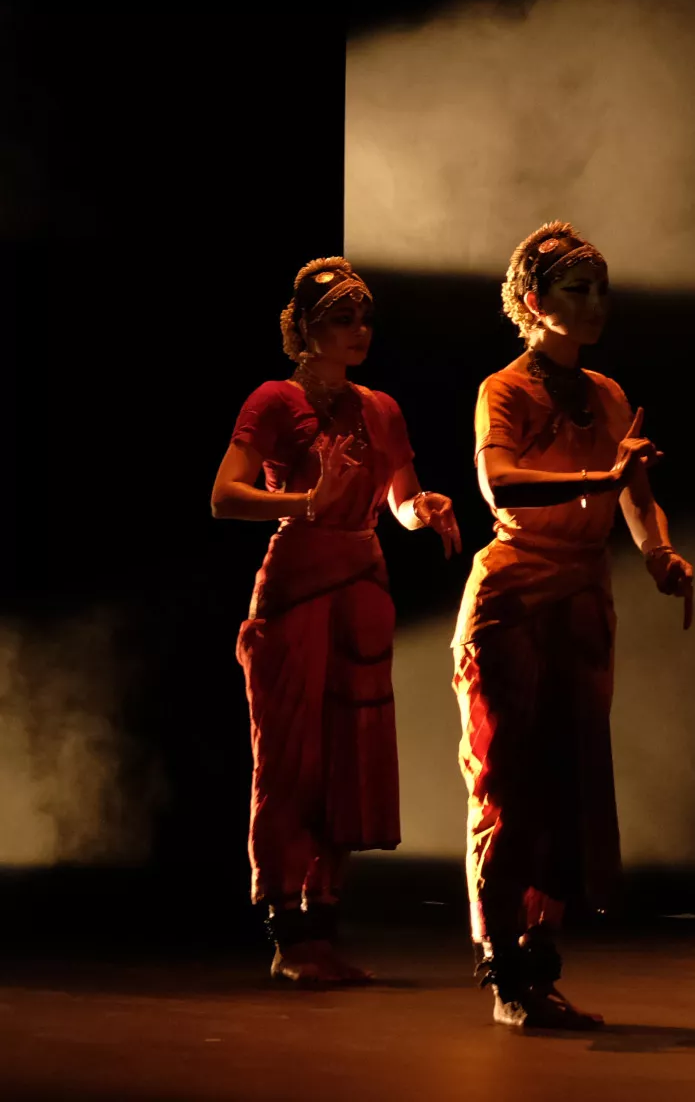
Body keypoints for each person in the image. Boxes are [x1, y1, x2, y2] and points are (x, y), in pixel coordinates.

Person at [453, 221, 695, 1029]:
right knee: (510, 785)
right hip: (516, 600)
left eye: (601, 289)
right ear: (533, 302)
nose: (595, 305)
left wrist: (659, 553)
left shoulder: (609, 392)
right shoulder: (505, 390)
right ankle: (504, 969)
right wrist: (603, 472)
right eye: (575, 290)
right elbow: (501, 486)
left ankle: (542, 963)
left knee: (568, 787)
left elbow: (635, 494)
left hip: (584, 603)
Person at [211, 256, 462, 985]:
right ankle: (287, 933)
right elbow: (225, 495)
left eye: (364, 319)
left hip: (362, 586)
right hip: (297, 584)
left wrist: (426, 510)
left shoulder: (381, 408)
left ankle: (324, 926)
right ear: (306, 329)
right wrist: (299, 504)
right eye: (342, 319)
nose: (359, 332)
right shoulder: (273, 400)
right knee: (292, 759)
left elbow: (400, 498)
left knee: (351, 759)